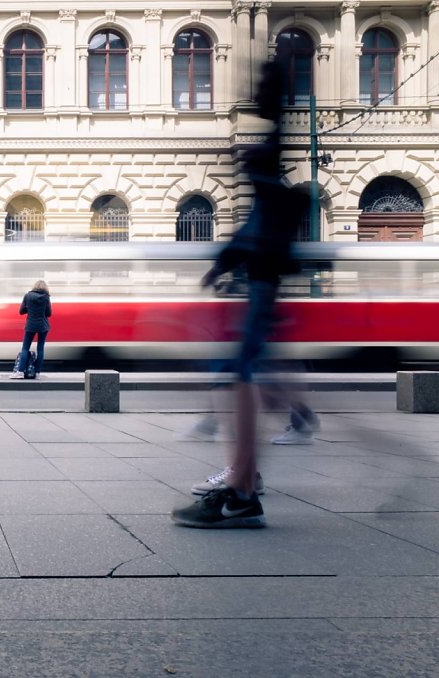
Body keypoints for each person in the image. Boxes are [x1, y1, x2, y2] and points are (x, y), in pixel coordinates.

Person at [171, 61, 309, 529]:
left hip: (264, 282)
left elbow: (261, 221)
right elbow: (259, 221)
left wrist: (225, 261)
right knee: (235, 372)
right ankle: (244, 481)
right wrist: (226, 262)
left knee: (239, 375)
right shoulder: (270, 171)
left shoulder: (269, 167)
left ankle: (242, 491)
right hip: (262, 280)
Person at [11, 280, 52, 379]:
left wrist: (29, 309)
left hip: (31, 325)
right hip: (43, 325)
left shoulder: (28, 296)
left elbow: (21, 311)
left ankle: (20, 372)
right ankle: (37, 373)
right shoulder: (46, 297)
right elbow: (49, 313)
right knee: (40, 349)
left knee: (25, 348)